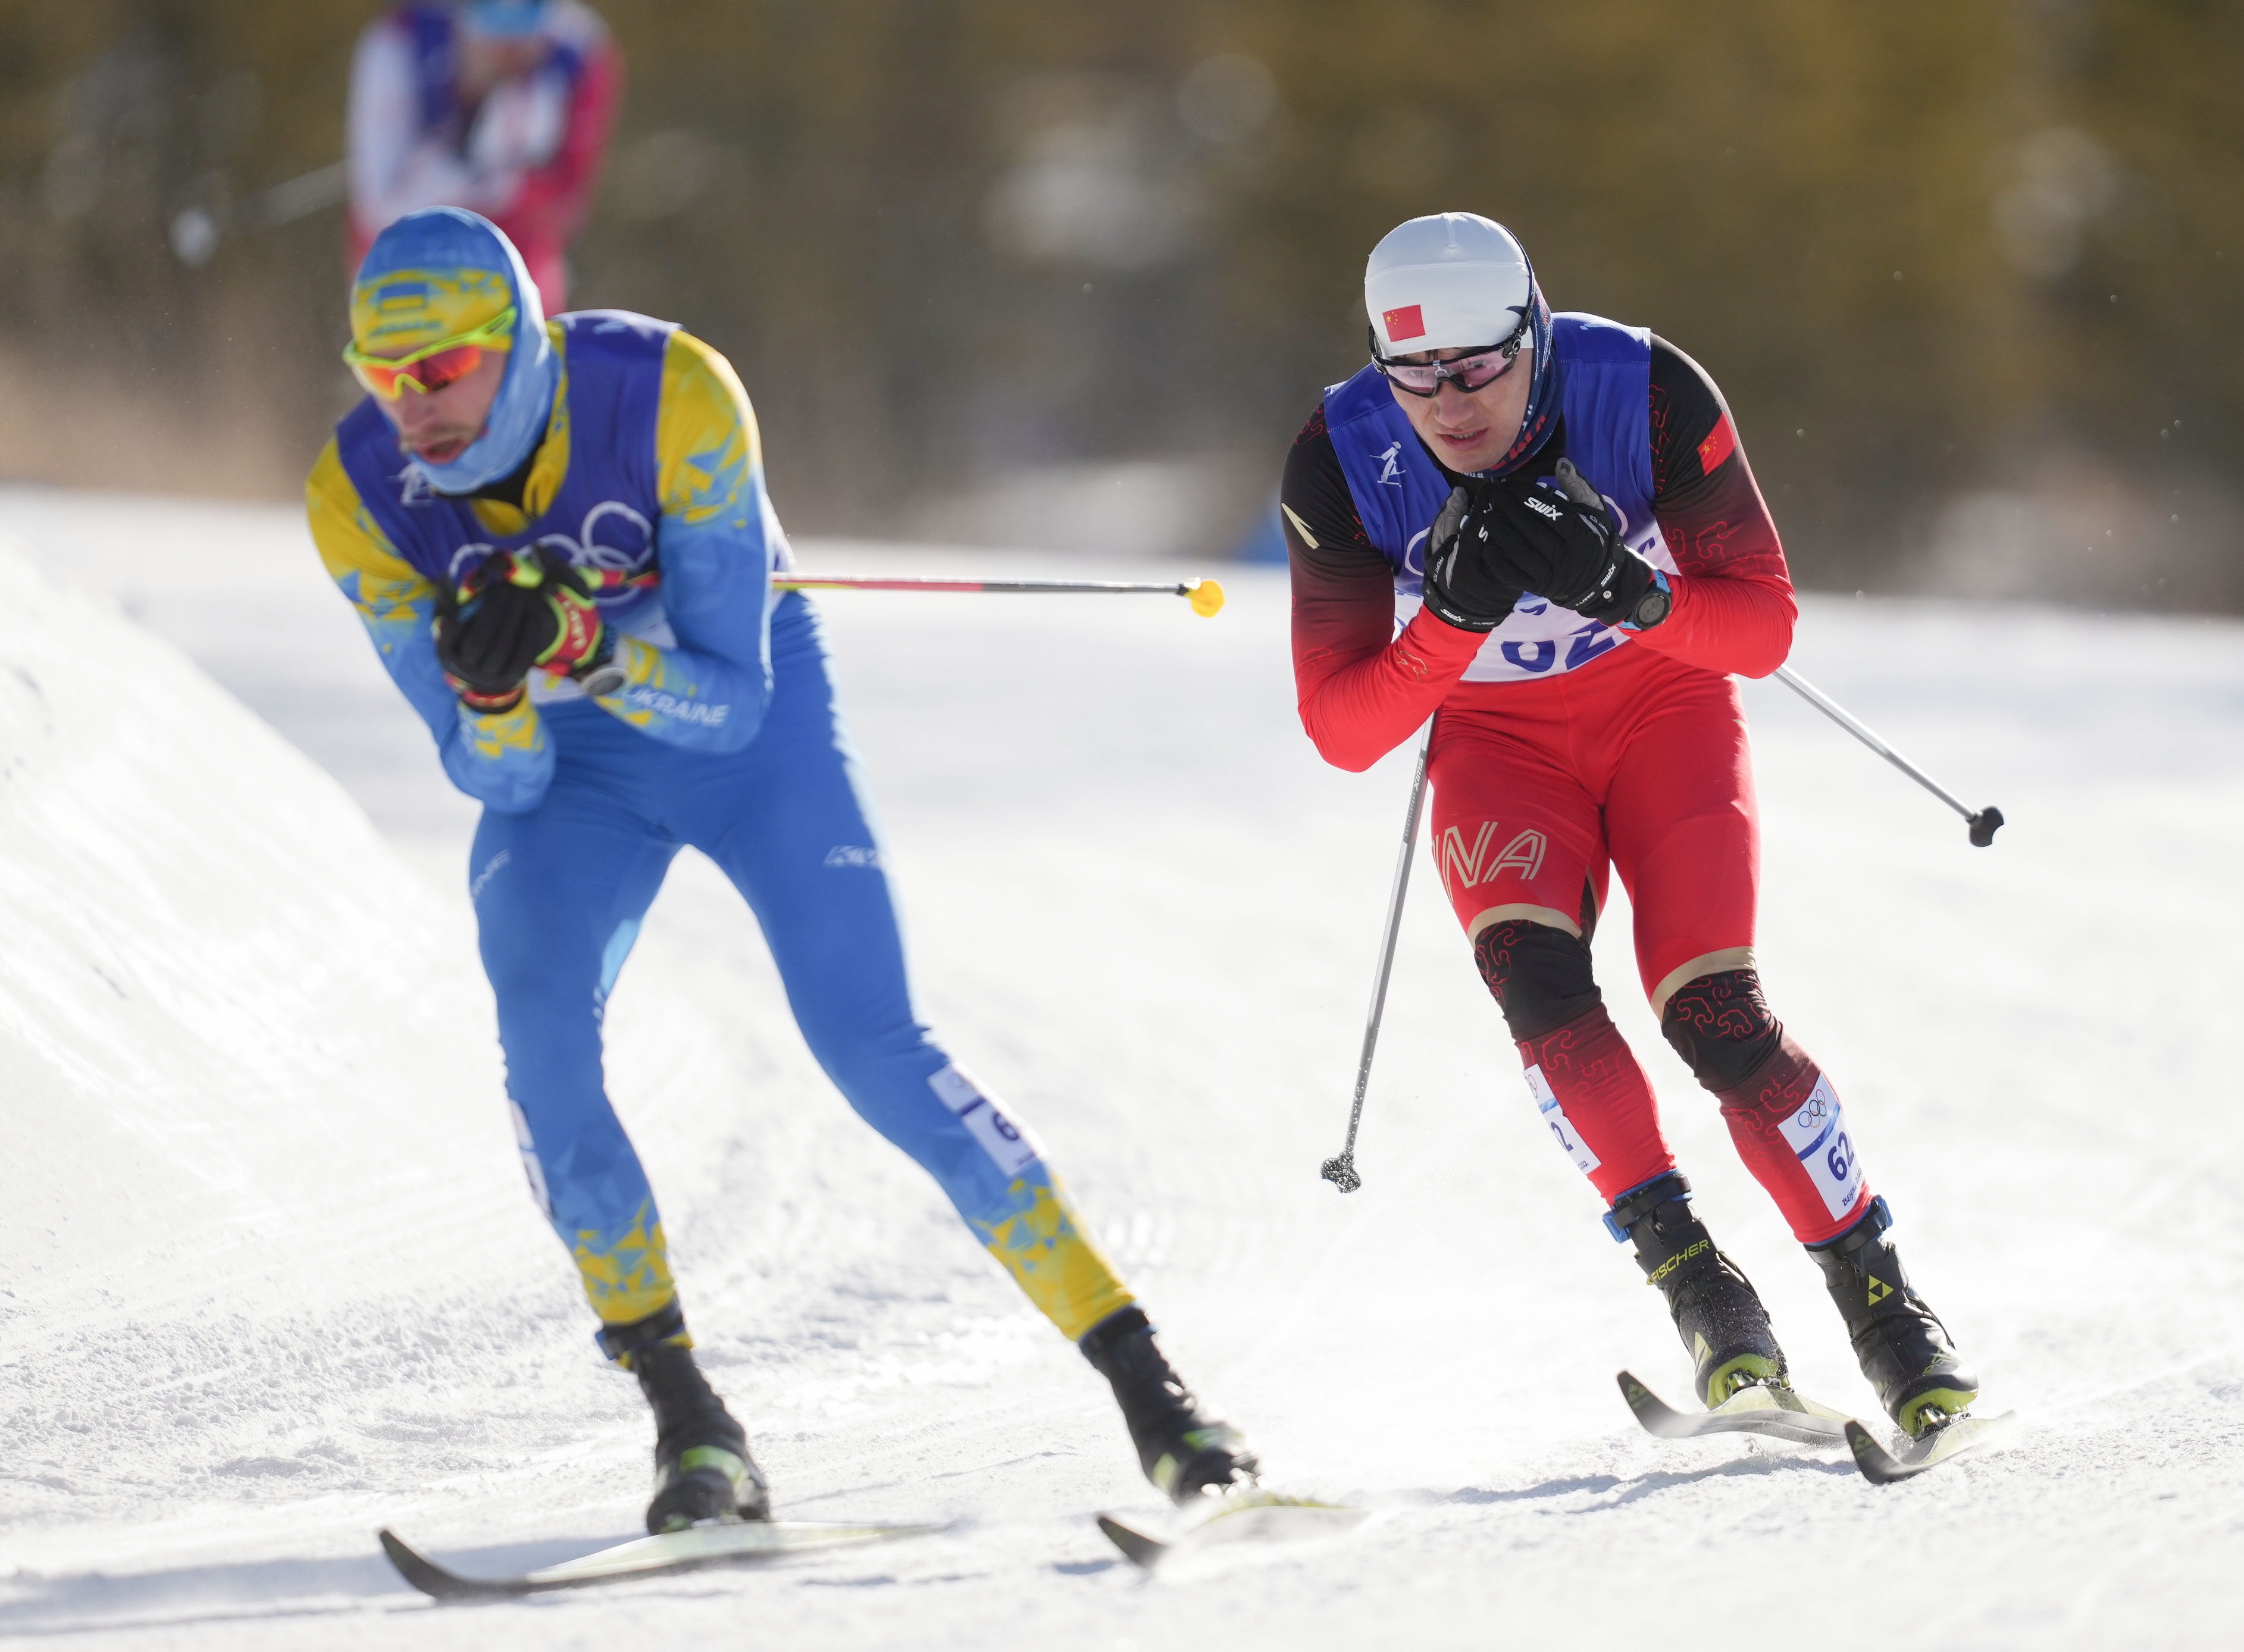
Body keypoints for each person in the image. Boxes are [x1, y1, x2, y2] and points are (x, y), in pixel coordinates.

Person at [306, 207, 1253, 1531]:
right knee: (541, 1049)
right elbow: (499, 780)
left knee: (872, 1043)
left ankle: (1159, 1395)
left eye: (441, 367)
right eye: (380, 373)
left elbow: (734, 703)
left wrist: (588, 651)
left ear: (515, 340)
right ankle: (692, 1426)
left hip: (738, 719)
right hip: (574, 768)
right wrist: (499, 686)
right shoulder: (356, 496)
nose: (411, 405)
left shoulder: (671, 393)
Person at [1277, 212, 1979, 1438]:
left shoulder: (1644, 390)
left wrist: (1629, 590)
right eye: (1416, 374)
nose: (1449, 403)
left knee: (1713, 1014)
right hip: (1498, 744)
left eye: (1480, 366)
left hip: (1661, 709)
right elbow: (1342, 727)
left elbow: (1762, 630)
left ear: (1534, 331)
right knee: (1539, 992)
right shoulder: (1339, 456)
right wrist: (1447, 624)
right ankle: (1704, 1293)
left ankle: (1886, 1308)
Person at [347, 0, 622, 311]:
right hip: (406, 278)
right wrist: (461, 158)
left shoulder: (579, 51)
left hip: (516, 272)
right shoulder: (400, 43)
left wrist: (513, 180)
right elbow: (378, 209)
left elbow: (567, 205)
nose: (507, 46)